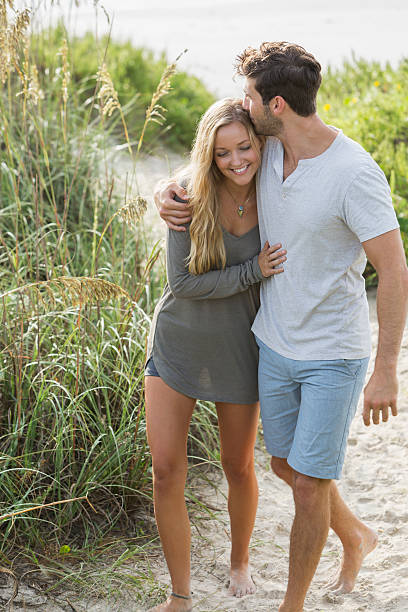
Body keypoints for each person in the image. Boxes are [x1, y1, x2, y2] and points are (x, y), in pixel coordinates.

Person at [154, 42, 408, 612]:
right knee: (285, 466)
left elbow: (394, 270)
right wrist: (163, 194)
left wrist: (386, 370)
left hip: (332, 353)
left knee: (311, 486)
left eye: (248, 96)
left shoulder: (354, 173)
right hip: (272, 342)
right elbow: (213, 158)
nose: (242, 105)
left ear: (275, 104)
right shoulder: (268, 150)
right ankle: (357, 534)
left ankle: (291, 605)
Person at [145, 97, 287, 612]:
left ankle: (240, 562)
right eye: (223, 152)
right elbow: (182, 285)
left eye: (244, 146)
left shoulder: (276, 186)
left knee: (238, 465)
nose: (236, 160)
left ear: (260, 143)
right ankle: (180, 595)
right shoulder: (188, 197)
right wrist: (253, 272)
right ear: (209, 153)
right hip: (177, 345)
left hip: (238, 350)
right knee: (166, 470)